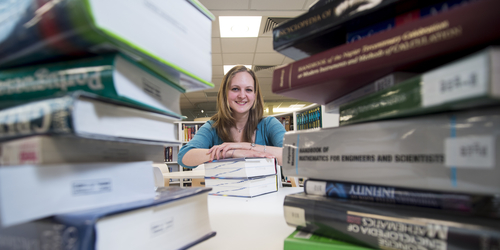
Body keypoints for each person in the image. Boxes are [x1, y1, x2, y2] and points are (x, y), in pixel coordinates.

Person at [178, 65, 286, 169]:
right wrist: (231, 152)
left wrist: (247, 148)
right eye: (235, 89)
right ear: (225, 93)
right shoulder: (213, 127)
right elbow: (184, 156)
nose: (242, 95)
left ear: (255, 95)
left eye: (248, 90)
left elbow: (294, 155)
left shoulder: (269, 124)